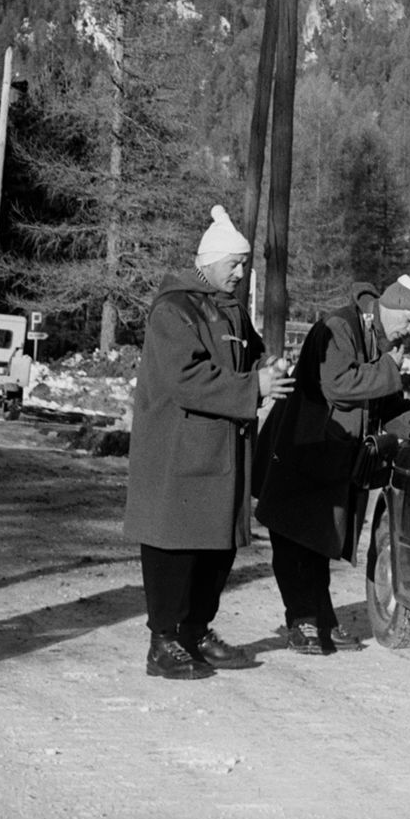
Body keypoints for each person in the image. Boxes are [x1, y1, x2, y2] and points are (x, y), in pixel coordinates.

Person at [123, 205, 293, 681]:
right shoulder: (173, 309)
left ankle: (195, 631)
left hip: (222, 450)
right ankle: (163, 642)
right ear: (209, 261)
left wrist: (270, 366)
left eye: (244, 265)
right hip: (178, 452)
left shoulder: (231, 308)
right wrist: (253, 389)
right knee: (174, 545)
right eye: (233, 265)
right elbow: (184, 378)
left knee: (217, 548)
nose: (240, 274)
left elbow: (249, 352)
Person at [253, 273, 410, 655]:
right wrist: (388, 369)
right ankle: (302, 621)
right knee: (293, 537)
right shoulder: (339, 327)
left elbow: (382, 401)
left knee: (318, 540)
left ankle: (321, 618)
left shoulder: (376, 336)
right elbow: (337, 383)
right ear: (394, 306)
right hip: (302, 448)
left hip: (328, 453)